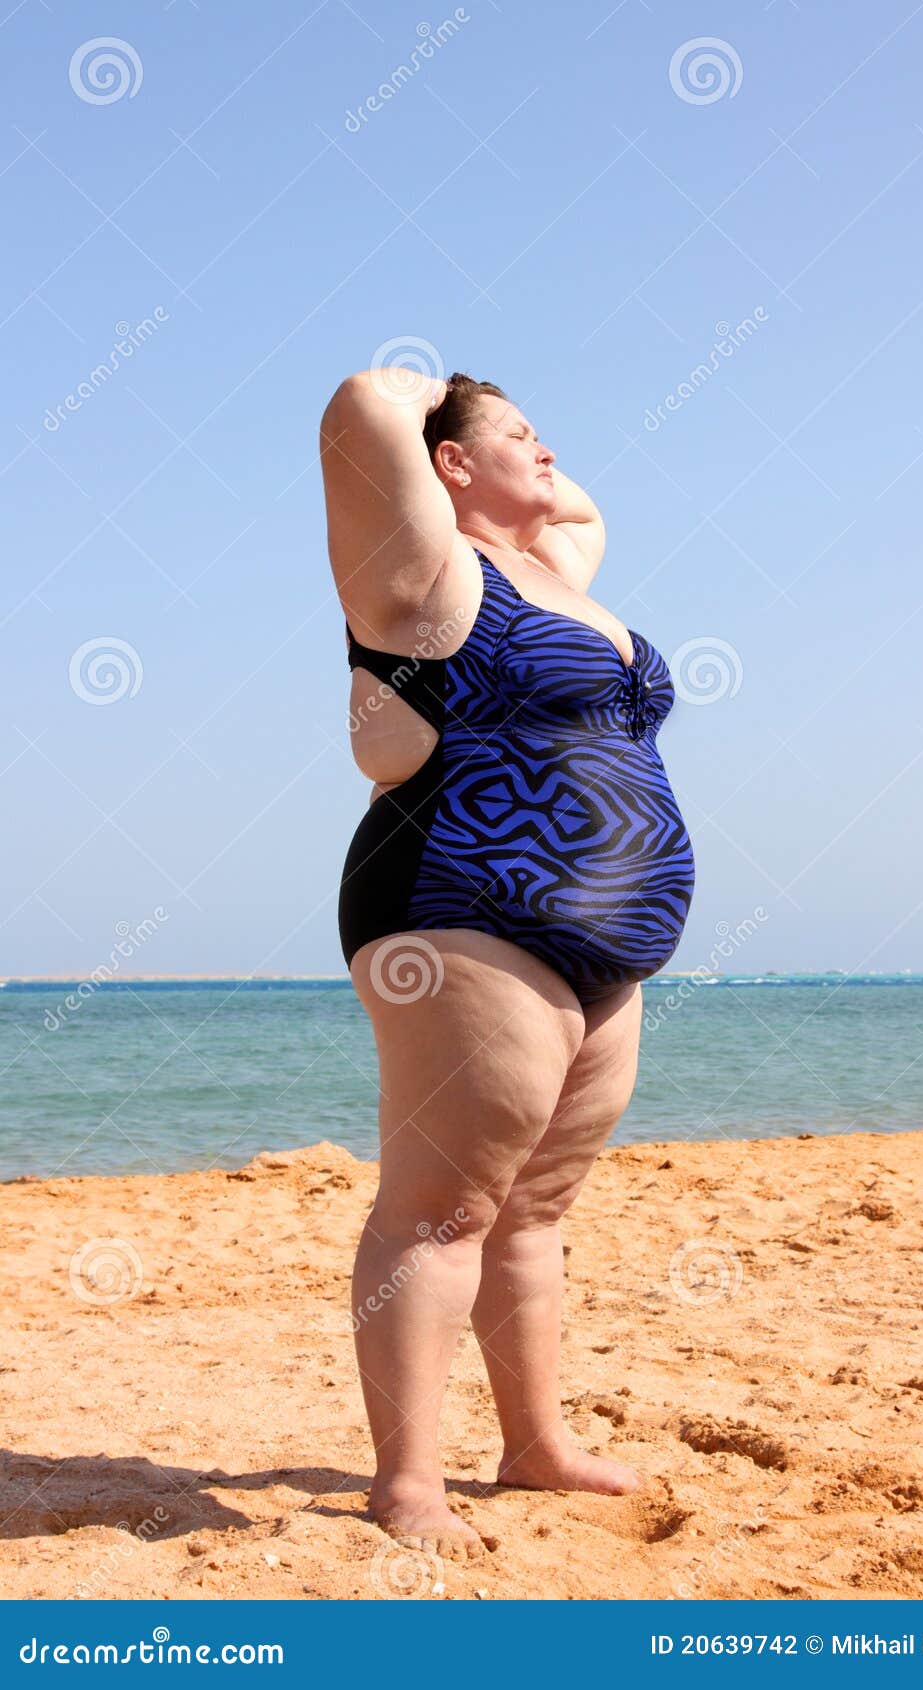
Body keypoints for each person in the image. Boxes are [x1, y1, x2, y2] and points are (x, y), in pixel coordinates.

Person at [319, 366, 695, 1558]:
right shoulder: (423, 578)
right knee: (442, 1211)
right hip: (460, 902)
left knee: (532, 1210)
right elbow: (361, 408)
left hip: (606, 942)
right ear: (446, 469)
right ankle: (409, 1480)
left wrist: (505, 447)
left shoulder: (558, 572)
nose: (551, 455)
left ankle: (532, 1445)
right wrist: (450, 397)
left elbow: (579, 509)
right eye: (520, 438)